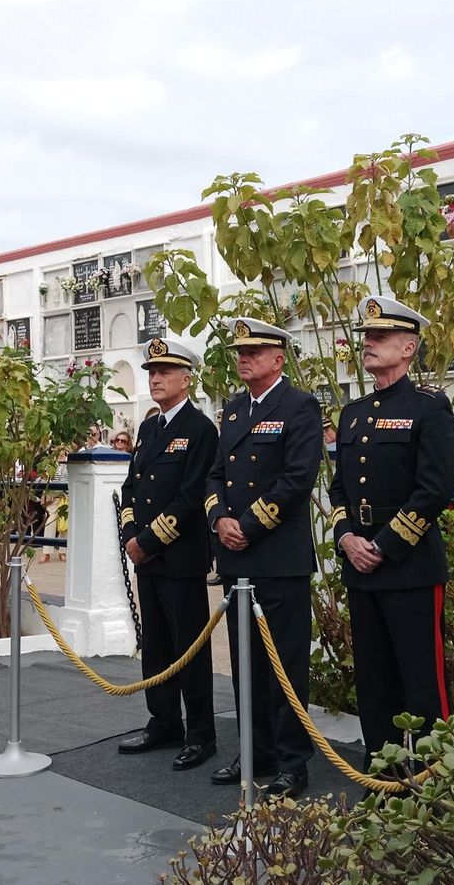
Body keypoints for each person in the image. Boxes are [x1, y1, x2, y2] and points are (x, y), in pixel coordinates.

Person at [329, 296, 454, 763]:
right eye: (367, 337)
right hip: (360, 565)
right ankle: (381, 768)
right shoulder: (354, 412)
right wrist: (347, 538)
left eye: (380, 337)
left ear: (408, 348)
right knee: (374, 678)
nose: (369, 344)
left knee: (421, 680)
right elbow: (338, 488)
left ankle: (431, 774)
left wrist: (382, 545)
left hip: (409, 566)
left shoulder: (430, 408)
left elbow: (434, 490)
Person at [205, 317, 324, 799]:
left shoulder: (300, 406)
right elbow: (214, 476)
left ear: (278, 358)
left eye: (254, 351)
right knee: (245, 662)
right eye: (240, 352)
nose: (243, 358)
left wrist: (247, 527)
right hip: (238, 562)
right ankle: (254, 750)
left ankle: (293, 762)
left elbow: (297, 479)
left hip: (278, 558)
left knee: (285, 665)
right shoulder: (233, 411)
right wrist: (219, 521)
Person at [116, 338, 219, 772]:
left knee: (188, 648)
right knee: (156, 646)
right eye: (151, 372)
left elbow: (191, 497)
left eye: (164, 372)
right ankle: (163, 721)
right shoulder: (150, 428)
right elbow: (130, 489)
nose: (155, 378)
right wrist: (129, 535)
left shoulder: (200, 430)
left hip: (180, 558)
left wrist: (149, 540)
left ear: (186, 378)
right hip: (147, 557)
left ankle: (200, 733)